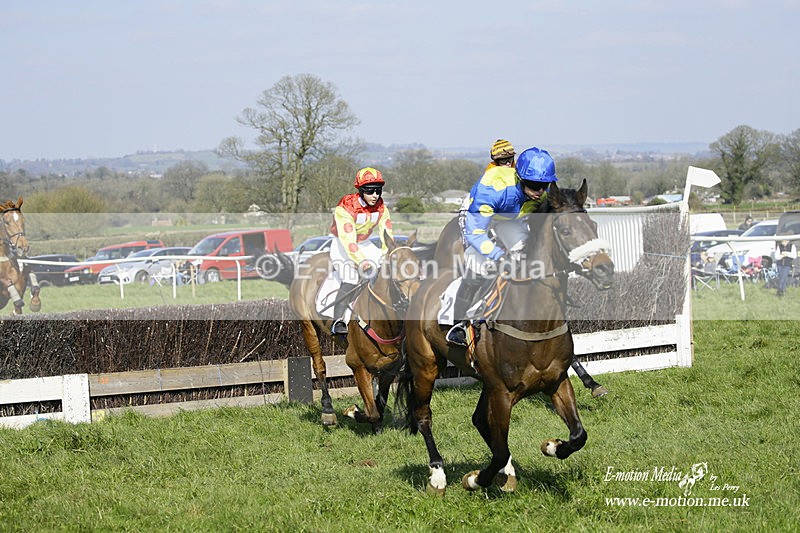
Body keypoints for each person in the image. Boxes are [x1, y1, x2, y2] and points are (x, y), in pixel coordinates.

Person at [446, 146, 557, 346]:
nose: (540, 191)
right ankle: (458, 325)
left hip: (509, 218)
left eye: (544, 185)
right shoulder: (492, 189)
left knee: (526, 257)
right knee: (478, 266)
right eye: (534, 185)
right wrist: (499, 256)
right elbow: (475, 233)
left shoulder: (541, 192)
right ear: (520, 178)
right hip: (478, 219)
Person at [329, 167, 393, 335]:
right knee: (351, 278)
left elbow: (387, 234)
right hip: (342, 245)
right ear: (361, 190)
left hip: (364, 243)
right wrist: (362, 262)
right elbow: (349, 241)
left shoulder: (381, 207)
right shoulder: (346, 206)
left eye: (378, 191)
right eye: (370, 191)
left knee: (389, 271)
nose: (375, 195)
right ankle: (338, 321)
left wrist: (388, 254)